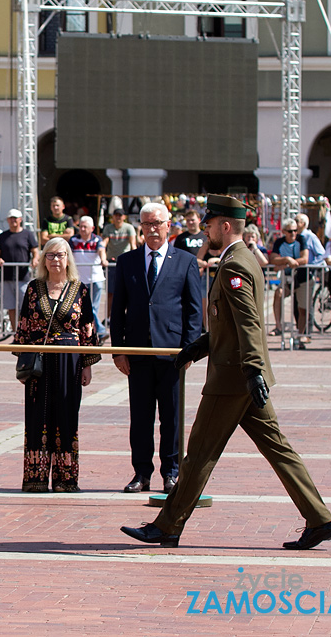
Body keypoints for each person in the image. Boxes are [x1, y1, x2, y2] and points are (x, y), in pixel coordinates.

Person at [122, 194, 331, 550]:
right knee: (279, 450)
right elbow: (232, 322)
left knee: (200, 452)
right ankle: (320, 519)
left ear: (225, 226)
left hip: (233, 377)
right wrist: (202, 345)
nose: (205, 230)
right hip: (244, 377)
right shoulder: (243, 258)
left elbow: (250, 323)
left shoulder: (235, 263)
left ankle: (167, 525)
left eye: (209, 224)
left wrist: (252, 369)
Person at [110, 202, 202, 494]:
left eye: (157, 223)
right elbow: (117, 310)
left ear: (168, 226)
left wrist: (189, 350)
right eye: (147, 224)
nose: (152, 230)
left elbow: (193, 311)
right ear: (141, 227)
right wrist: (119, 351)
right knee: (140, 417)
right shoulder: (127, 262)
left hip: (172, 354)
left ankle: (171, 472)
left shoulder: (185, 261)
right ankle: (141, 473)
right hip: (137, 353)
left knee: (172, 417)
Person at [14, 237, 100, 492]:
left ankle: (65, 479)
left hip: (69, 359)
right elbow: (24, 326)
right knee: (37, 416)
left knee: (66, 415)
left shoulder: (79, 288)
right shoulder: (33, 288)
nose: (55, 260)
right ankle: (36, 478)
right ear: (43, 260)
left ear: (68, 258)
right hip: (39, 360)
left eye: (60, 255)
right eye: (49, 255)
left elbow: (88, 327)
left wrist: (87, 364)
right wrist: (22, 362)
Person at [0, 209, 40, 329]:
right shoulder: (3, 236)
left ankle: (26, 330)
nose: (13, 220)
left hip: (23, 276)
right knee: (11, 307)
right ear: (8, 220)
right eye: (11, 218)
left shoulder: (27, 234)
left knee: (25, 306)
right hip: (7, 276)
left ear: (20, 219)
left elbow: (35, 251)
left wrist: (35, 260)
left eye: (15, 218)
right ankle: (15, 333)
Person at [269, 218, 310, 348]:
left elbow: (305, 259)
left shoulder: (301, 239)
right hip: (287, 278)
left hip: (302, 278)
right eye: (290, 231)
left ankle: (300, 334)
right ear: (283, 232)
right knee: (278, 293)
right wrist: (287, 260)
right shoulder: (280, 242)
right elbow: (273, 259)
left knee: (302, 308)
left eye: (295, 231)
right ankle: (278, 326)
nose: (293, 233)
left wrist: (291, 262)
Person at [68, 215, 108, 340]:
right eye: (80, 226)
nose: (82, 229)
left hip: (96, 278)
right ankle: (98, 331)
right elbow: (68, 253)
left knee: (93, 308)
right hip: (80, 280)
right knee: (84, 307)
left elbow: (101, 250)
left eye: (85, 227)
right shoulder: (73, 240)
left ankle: (97, 331)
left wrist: (103, 259)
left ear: (92, 228)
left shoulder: (97, 239)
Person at [102, 207, 137, 323]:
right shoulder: (108, 228)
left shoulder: (129, 228)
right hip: (112, 262)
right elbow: (104, 242)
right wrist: (101, 250)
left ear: (124, 217)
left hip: (126, 262)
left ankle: (126, 317)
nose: (118, 217)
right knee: (110, 292)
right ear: (113, 217)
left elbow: (133, 244)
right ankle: (107, 318)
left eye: (120, 215)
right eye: (116, 215)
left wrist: (134, 258)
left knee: (128, 291)